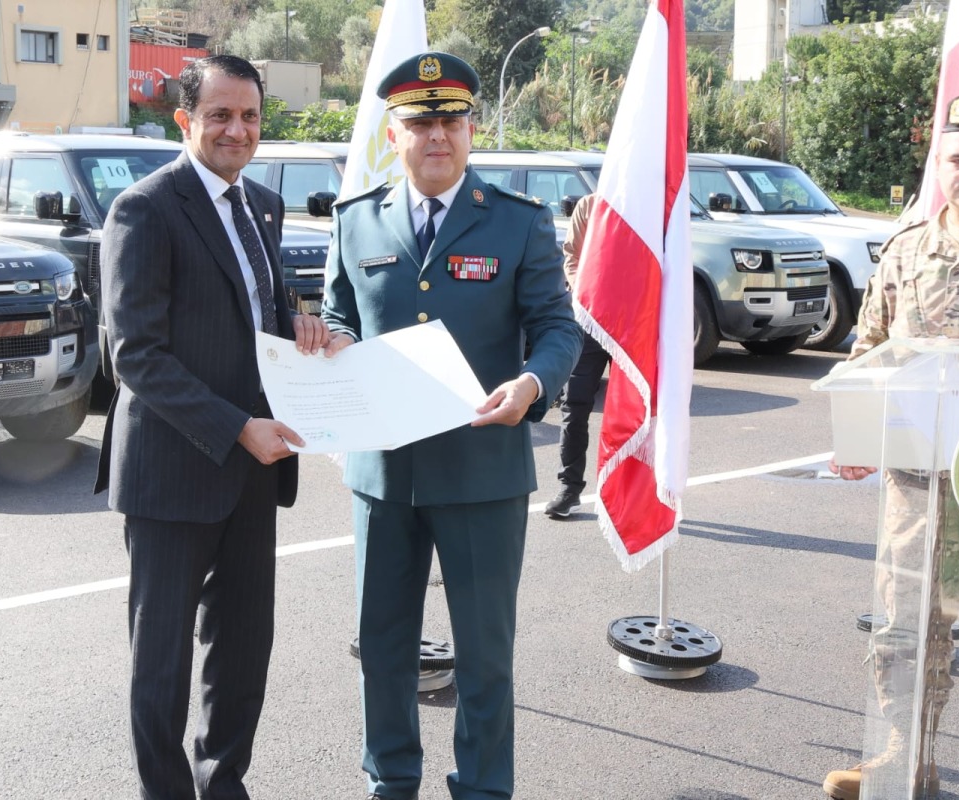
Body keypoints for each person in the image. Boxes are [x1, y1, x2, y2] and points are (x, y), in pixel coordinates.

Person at [320, 52, 583, 800]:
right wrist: (334, 340)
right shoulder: (356, 218)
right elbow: (339, 311)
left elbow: (557, 328)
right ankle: (391, 780)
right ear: (394, 133)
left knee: (485, 654)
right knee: (384, 646)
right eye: (421, 122)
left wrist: (534, 383)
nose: (439, 135)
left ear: (472, 129)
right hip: (384, 472)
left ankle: (483, 788)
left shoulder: (518, 222)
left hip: (482, 470)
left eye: (452, 121)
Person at [94, 54, 329, 800]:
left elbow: (251, 316)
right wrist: (235, 428)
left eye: (250, 116)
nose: (237, 130)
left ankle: (224, 782)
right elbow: (136, 355)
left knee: (243, 649)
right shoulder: (145, 208)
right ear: (185, 120)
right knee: (160, 662)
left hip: (255, 471)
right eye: (221, 115)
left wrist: (300, 331)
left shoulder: (262, 204)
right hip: (174, 468)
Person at [822, 92, 959, 800]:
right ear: (938, 165)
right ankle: (902, 765)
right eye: (958, 159)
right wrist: (855, 433)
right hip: (918, 485)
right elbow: (870, 353)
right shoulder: (904, 251)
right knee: (902, 631)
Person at [544, 193, 611, 518]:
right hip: (590, 319)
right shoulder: (589, 205)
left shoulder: (651, 209)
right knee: (575, 405)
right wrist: (585, 294)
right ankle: (569, 488)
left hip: (636, 325)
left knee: (641, 411)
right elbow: (572, 257)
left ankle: (638, 491)